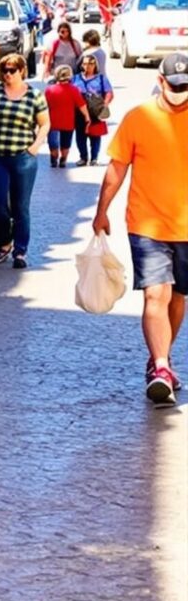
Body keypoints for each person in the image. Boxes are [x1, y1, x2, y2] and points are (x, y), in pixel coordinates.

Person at [91, 53, 188, 406]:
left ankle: (160, 357)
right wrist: (102, 210)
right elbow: (116, 169)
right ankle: (161, 367)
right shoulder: (139, 117)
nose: (180, 91)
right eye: (174, 85)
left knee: (178, 299)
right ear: (161, 81)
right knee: (156, 294)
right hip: (147, 223)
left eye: (185, 86)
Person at [0, 53, 49, 269]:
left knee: (20, 206)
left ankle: (21, 251)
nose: (7, 74)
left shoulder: (34, 96)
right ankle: (4, 243)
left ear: (22, 71)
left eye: (12, 70)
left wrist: (35, 147)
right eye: (4, 70)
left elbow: (45, 124)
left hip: (23, 158)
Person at [74, 54, 114, 166]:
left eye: (91, 64)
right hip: (80, 111)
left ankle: (94, 158)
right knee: (80, 135)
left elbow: (109, 92)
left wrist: (105, 104)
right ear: (82, 65)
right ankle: (83, 157)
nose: (88, 66)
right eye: (85, 63)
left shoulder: (101, 79)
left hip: (95, 111)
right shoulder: (76, 78)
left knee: (95, 135)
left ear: (95, 65)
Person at [43, 66, 86, 169]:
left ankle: (54, 158)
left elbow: (44, 106)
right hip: (68, 121)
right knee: (66, 143)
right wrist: (87, 116)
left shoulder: (50, 90)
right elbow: (82, 105)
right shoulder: (74, 90)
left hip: (53, 121)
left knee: (52, 142)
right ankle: (63, 159)